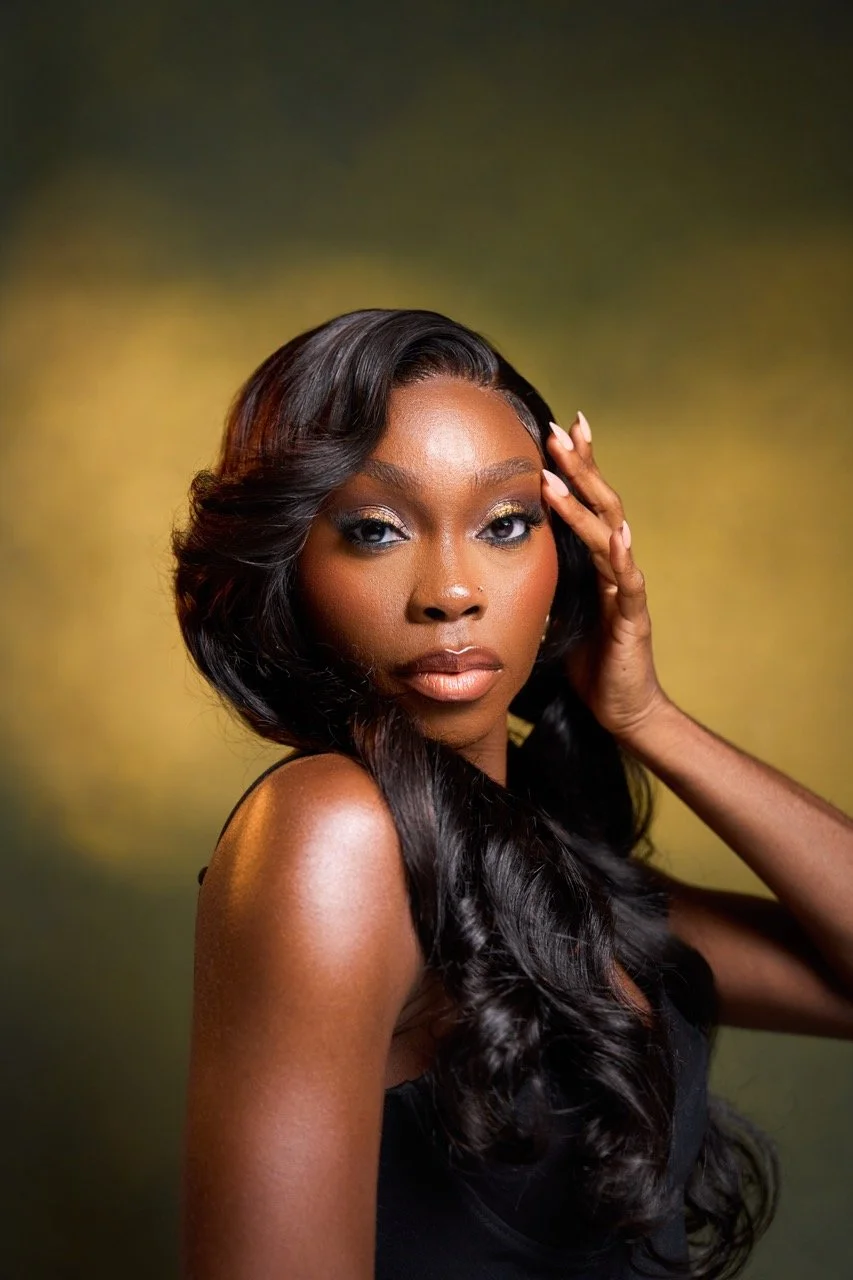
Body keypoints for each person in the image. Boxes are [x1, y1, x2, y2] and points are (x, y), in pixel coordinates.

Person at [172, 309, 853, 1280]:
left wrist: (647, 715)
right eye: (375, 530)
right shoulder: (332, 832)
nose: (451, 591)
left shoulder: (547, 866)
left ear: (565, 554)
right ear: (292, 566)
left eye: (504, 524)